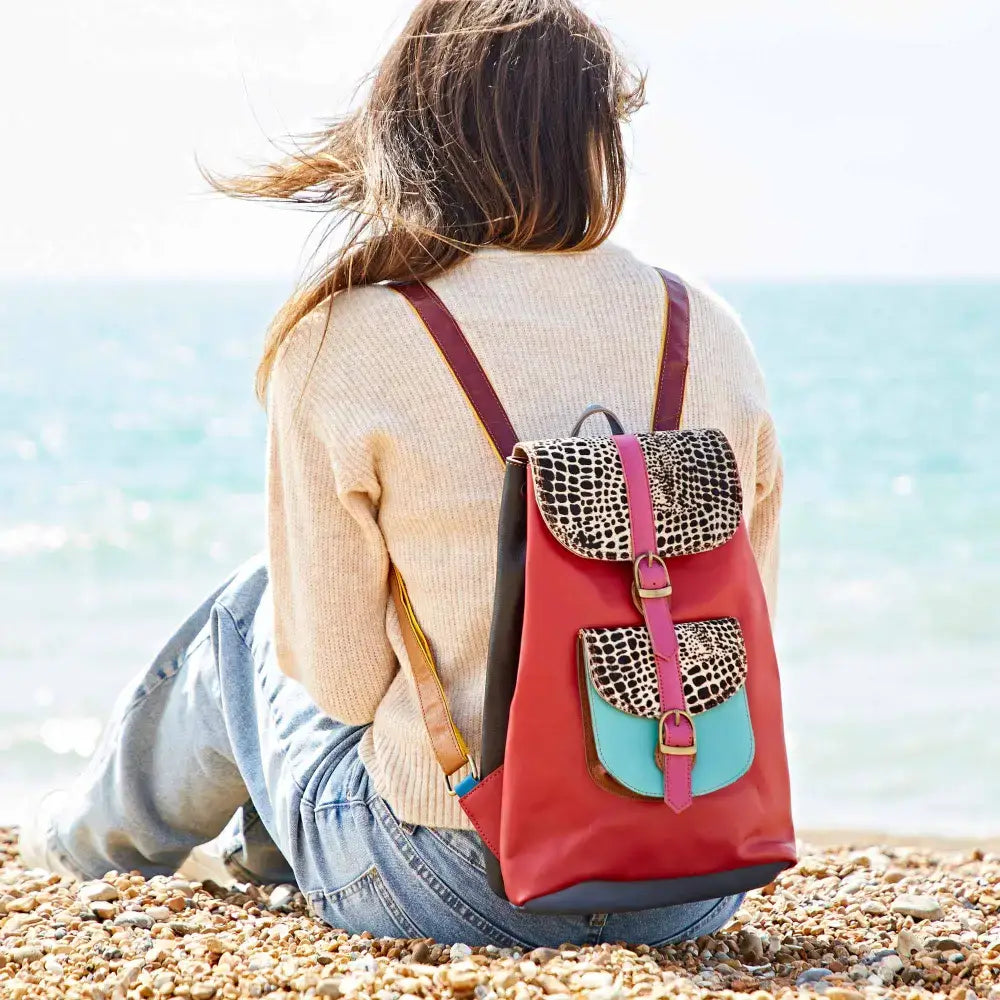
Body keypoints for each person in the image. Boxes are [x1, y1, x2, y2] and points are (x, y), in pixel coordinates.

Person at [20, 0, 782, 947]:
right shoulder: (704, 325)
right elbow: (745, 622)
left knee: (244, 615)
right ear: (596, 138)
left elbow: (337, 684)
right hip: (695, 871)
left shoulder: (349, 337)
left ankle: (90, 847)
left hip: (459, 881)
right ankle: (258, 849)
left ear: (415, 134)